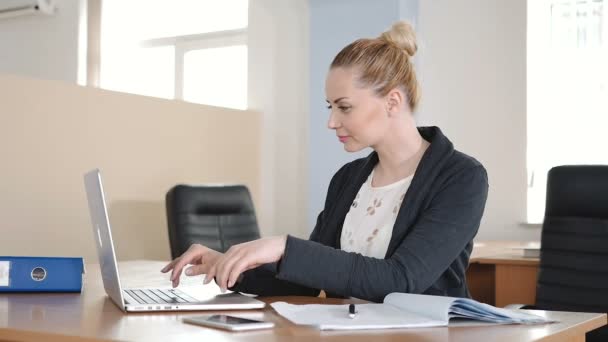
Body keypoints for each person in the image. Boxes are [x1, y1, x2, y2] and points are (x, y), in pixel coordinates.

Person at [161, 21, 488, 303]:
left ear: (393, 101)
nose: (331, 122)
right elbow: (305, 277)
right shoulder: (349, 178)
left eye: (344, 107)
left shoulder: (461, 177)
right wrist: (231, 265)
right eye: (329, 107)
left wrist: (284, 246)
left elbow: (401, 280)